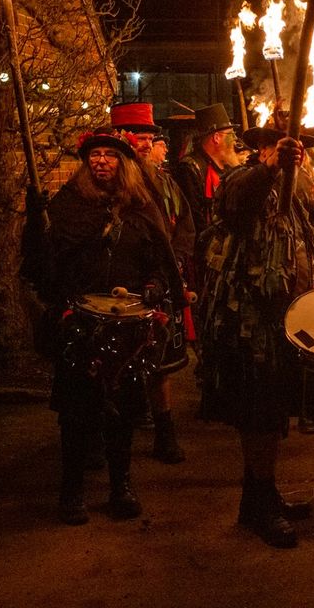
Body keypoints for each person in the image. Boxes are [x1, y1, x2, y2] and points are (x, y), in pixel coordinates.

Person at [30, 129, 184, 525]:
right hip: (80, 321)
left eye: (109, 156)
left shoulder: (141, 206)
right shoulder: (68, 205)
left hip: (129, 326)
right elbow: (45, 263)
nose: (100, 161)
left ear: (124, 164)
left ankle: (122, 486)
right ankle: (72, 491)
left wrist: (153, 288)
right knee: (77, 411)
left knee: (123, 412)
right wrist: (35, 221)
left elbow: (160, 263)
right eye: (94, 155)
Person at [198, 127, 314, 548]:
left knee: (271, 412)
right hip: (249, 322)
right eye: (278, 148)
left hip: (284, 318)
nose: (291, 156)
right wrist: (268, 167)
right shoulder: (239, 179)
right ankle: (260, 503)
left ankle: (260, 495)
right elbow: (236, 206)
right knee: (258, 412)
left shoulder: (294, 194)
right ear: (260, 150)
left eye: (296, 150)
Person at [112, 103, 196, 464]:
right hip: (120, 285)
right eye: (138, 138)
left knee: (160, 364)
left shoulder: (164, 181)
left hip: (159, 281)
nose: (146, 145)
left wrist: (173, 262)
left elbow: (185, 226)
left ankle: (165, 433)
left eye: (148, 138)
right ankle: (112, 438)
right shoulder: (106, 184)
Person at [174, 103, 241, 243]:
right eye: (231, 134)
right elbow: (193, 220)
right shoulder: (189, 168)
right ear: (216, 137)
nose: (235, 139)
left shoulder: (227, 169)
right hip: (201, 250)